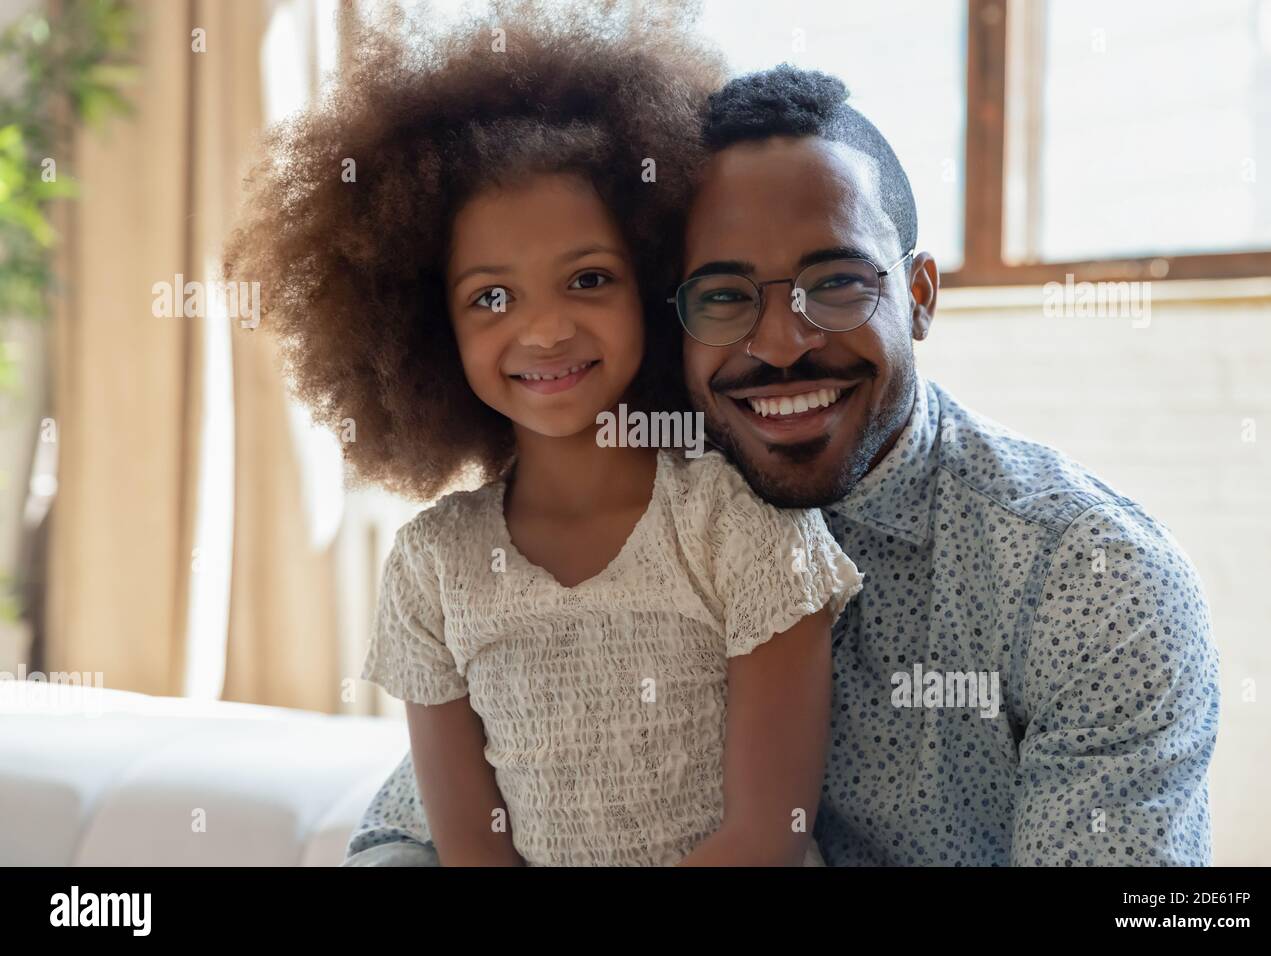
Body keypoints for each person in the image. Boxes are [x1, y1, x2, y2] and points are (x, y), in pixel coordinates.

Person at [225, 5, 862, 866]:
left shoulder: (739, 528)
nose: (546, 330)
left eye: (588, 278)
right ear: (422, 328)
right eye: (492, 297)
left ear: (656, 282)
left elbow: (765, 838)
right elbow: (470, 852)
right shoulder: (431, 570)